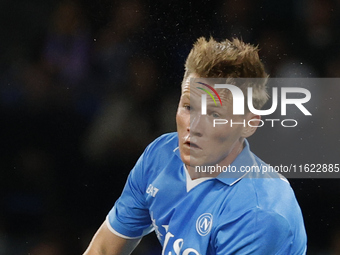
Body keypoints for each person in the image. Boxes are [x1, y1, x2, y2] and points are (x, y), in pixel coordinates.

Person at [83, 37, 307, 255]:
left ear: (249, 124)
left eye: (214, 114)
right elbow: (102, 249)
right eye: (189, 107)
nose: (194, 126)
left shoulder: (260, 214)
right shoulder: (160, 155)